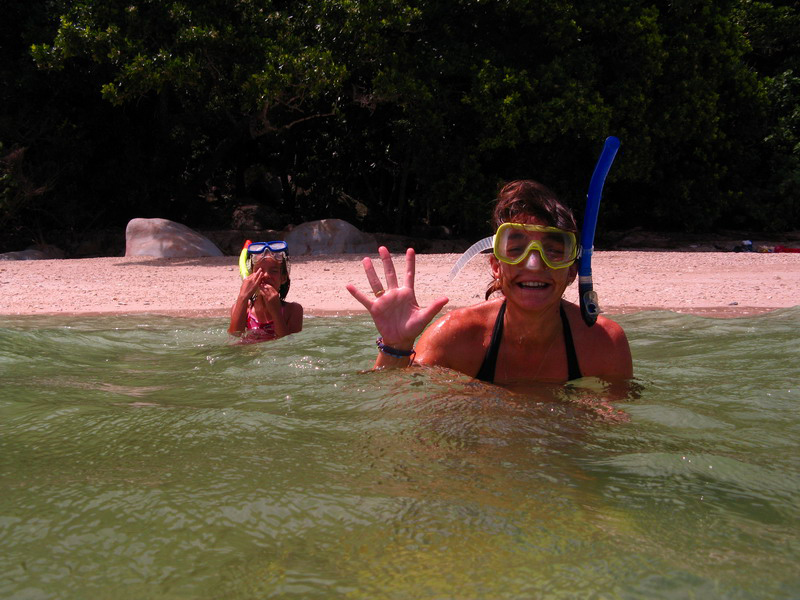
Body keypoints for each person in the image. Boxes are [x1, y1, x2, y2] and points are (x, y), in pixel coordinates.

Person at [346, 180, 633, 386]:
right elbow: (393, 408)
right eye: (516, 248)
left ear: (572, 270)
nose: (534, 264)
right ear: (496, 266)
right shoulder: (454, 338)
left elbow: (616, 432)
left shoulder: (605, 344)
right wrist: (395, 347)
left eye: (554, 250)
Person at [229, 241, 303, 341]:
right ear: (251, 276)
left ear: (283, 278)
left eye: (274, 271)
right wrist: (243, 297)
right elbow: (234, 337)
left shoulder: (293, 310)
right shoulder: (243, 309)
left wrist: (276, 311)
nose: (266, 275)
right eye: (259, 270)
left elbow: (287, 345)